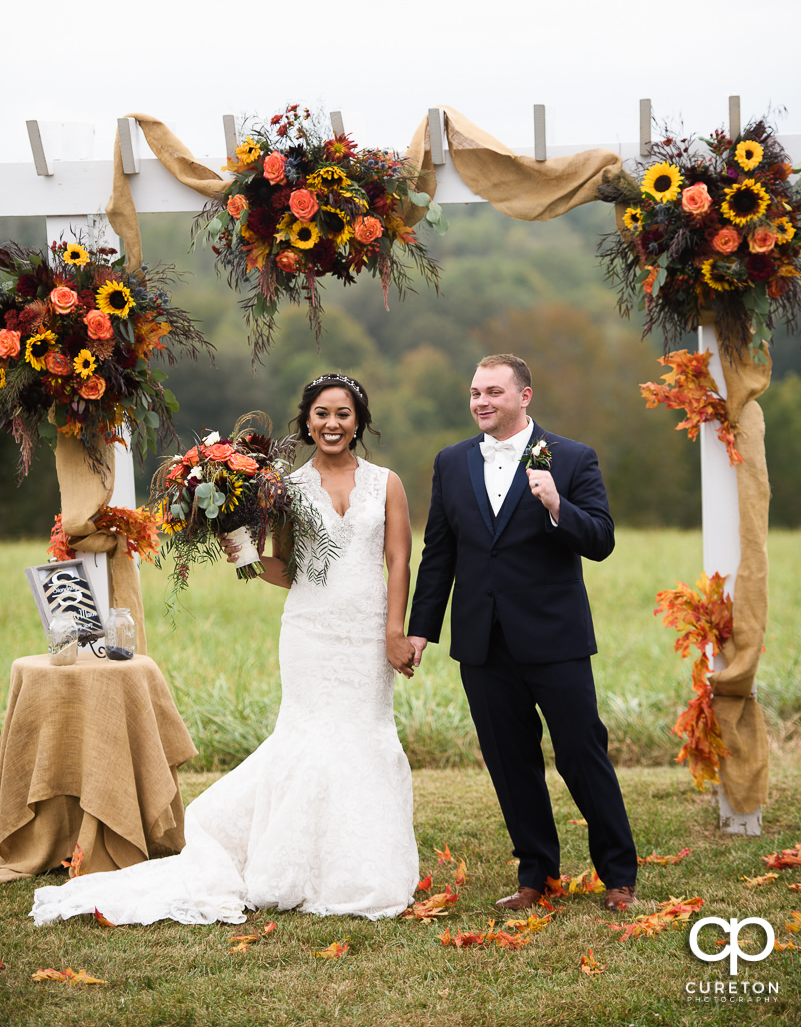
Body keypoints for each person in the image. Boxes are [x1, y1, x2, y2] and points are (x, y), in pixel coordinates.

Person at [31, 373, 419, 926]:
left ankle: (364, 867)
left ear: (359, 422)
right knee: (309, 736)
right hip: (310, 631)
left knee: (365, 733)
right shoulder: (286, 488)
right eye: (322, 414)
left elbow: (399, 560)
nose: (332, 424)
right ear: (306, 422)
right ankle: (293, 862)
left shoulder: (387, 483)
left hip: (367, 631)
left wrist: (393, 630)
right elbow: (286, 570)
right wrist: (239, 548)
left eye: (343, 414)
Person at [406, 353, 637, 913]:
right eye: (474, 392)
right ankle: (537, 874)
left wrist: (558, 505)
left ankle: (619, 875)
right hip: (482, 642)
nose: (481, 402)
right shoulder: (452, 462)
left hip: (554, 639)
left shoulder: (573, 458)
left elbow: (602, 539)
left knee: (582, 755)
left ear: (524, 396)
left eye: (493, 392)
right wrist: (420, 630)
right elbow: (440, 552)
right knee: (510, 761)